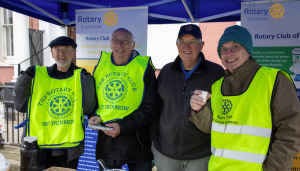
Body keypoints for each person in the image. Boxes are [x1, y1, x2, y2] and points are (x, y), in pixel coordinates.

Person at [190, 25, 300, 171]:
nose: (228, 53)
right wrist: (200, 110)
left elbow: (291, 131)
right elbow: (212, 128)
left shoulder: (274, 80)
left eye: (235, 47)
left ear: (248, 52)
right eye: (223, 49)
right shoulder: (217, 86)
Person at [13, 36, 99, 169]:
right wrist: (24, 78)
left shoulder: (82, 77)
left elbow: (89, 108)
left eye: (66, 50)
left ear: (74, 53)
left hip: (68, 148)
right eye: (57, 50)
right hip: (38, 146)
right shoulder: (36, 76)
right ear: (52, 53)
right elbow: (20, 106)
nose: (61, 54)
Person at [152, 24, 225, 171]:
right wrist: (153, 139)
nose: (187, 46)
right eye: (182, 42)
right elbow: (155, 108)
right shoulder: (166, 71)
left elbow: (223, 113)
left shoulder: (216, 73)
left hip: (201, 155)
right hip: (166, 154)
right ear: (177, 45)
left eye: (192, 42)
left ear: (201, 45)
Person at [92, 28, 159, 171]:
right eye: (116, 40)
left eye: (125, 41)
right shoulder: (101, 65)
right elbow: (95, 100)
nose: (120, 44)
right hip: (107, 144)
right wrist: (94, 115)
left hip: (137, 144)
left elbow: (151, 108)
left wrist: (122, 127)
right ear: (110, 43)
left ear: (133, 44)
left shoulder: (143, 67)